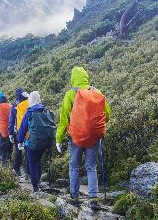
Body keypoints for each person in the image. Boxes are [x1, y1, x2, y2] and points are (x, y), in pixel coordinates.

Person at [56, 67, 111, 209]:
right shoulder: (97, 92)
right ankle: (93, 199)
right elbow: (107, 114)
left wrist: (58, 138)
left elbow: (64, 119)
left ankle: (74, 196)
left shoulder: (70, 94)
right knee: (91, 167)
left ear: (73, 78)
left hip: (76, 137)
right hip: (94, 137)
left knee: (74, 166)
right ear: (86, 77)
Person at [17, 91, 55, 192]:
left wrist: (19, 141)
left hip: (33, 142)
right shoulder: (45, 110)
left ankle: (35, 186)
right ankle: (39, 181)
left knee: (32, 162)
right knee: (38, 160)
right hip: (46, 142)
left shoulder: (29, 112)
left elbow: (23, 129)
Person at [8, 88, 30, 177]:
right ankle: (28, 172)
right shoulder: (30, 104)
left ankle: (17, 169)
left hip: (18, 133)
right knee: (28, 151)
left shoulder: (14, 107)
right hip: (30, 133)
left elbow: (11, 121)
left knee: (18, 151)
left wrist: (10, 133)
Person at [0, 95, 12, 165]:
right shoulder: (10, 107)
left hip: (1, 129)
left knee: (2, 145)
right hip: (9, 128)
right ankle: (9, 160)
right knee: (9, 145)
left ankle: (3, 161)